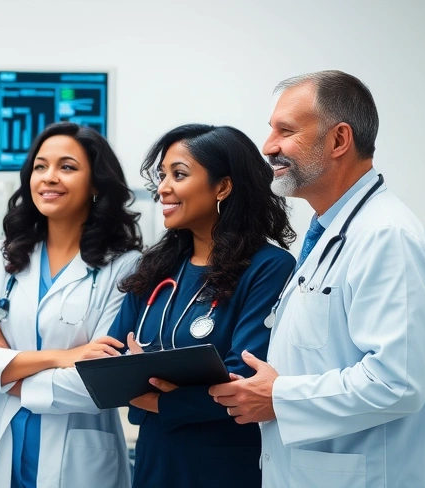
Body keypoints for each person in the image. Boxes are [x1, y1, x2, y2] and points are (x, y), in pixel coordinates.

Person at [209, 71, 425, 488]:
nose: (269, 147)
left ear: (339, 140)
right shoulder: (331, 233)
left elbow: (398, 382)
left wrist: (278, 397)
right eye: (271, 131)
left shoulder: (387, 236)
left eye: (286, 131)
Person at [0, 122, 143, 488]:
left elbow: (99, 384)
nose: (49, 177)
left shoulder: (125, 265)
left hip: (78, 463)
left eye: (67, 167)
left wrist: (4, 366)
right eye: (40, 166)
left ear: (96, 184)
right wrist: (62, 357)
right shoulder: (2, 257)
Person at [106, 124, 295, 487]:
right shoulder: (154, 268)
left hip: (224, 465)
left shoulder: (269, 267)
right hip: (153, 463)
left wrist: (157, 400)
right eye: (162, 176)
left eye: (179, 174)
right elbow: (112, 357)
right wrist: (180, 390)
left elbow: (243, 378)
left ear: (222, 186)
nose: (162, 188)